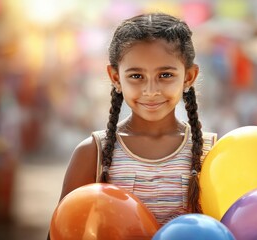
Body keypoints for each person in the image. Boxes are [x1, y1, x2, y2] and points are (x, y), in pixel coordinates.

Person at [48, 12, 217, 239]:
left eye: (165, 74)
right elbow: (64, 230)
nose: (151, 91)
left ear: (189, 76)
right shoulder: (92, 153)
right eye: (136, 76)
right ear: (116, 77)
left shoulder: (212, 155)